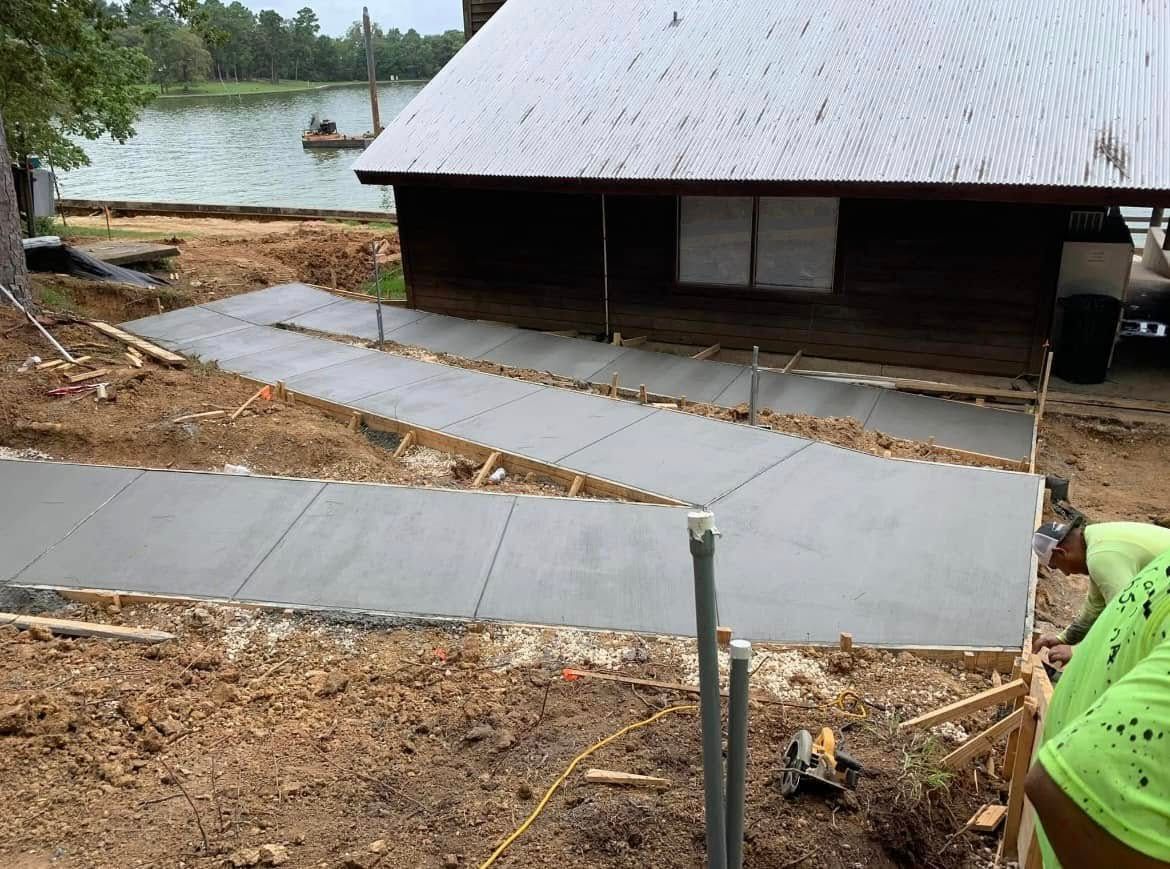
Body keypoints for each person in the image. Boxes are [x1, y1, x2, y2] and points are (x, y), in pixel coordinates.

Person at [1025, 547, 1170, 867]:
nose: (1061, 574)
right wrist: (1067, 640)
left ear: (1064, 550)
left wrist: (1074, 650)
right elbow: (1061, 782)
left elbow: (1128, 614)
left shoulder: (1105, 555)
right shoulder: (1103, 555)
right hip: (1090, 811)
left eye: (1058, 564)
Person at [1032, 521, 1170, 665]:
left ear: (1061, 552)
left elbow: (1127, 616)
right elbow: (1094, 607)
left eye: (1057, 566)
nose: (1066, 574)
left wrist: (1077, 652)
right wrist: (1063, 639)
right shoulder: (1096, 539)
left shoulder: (1100, 557)